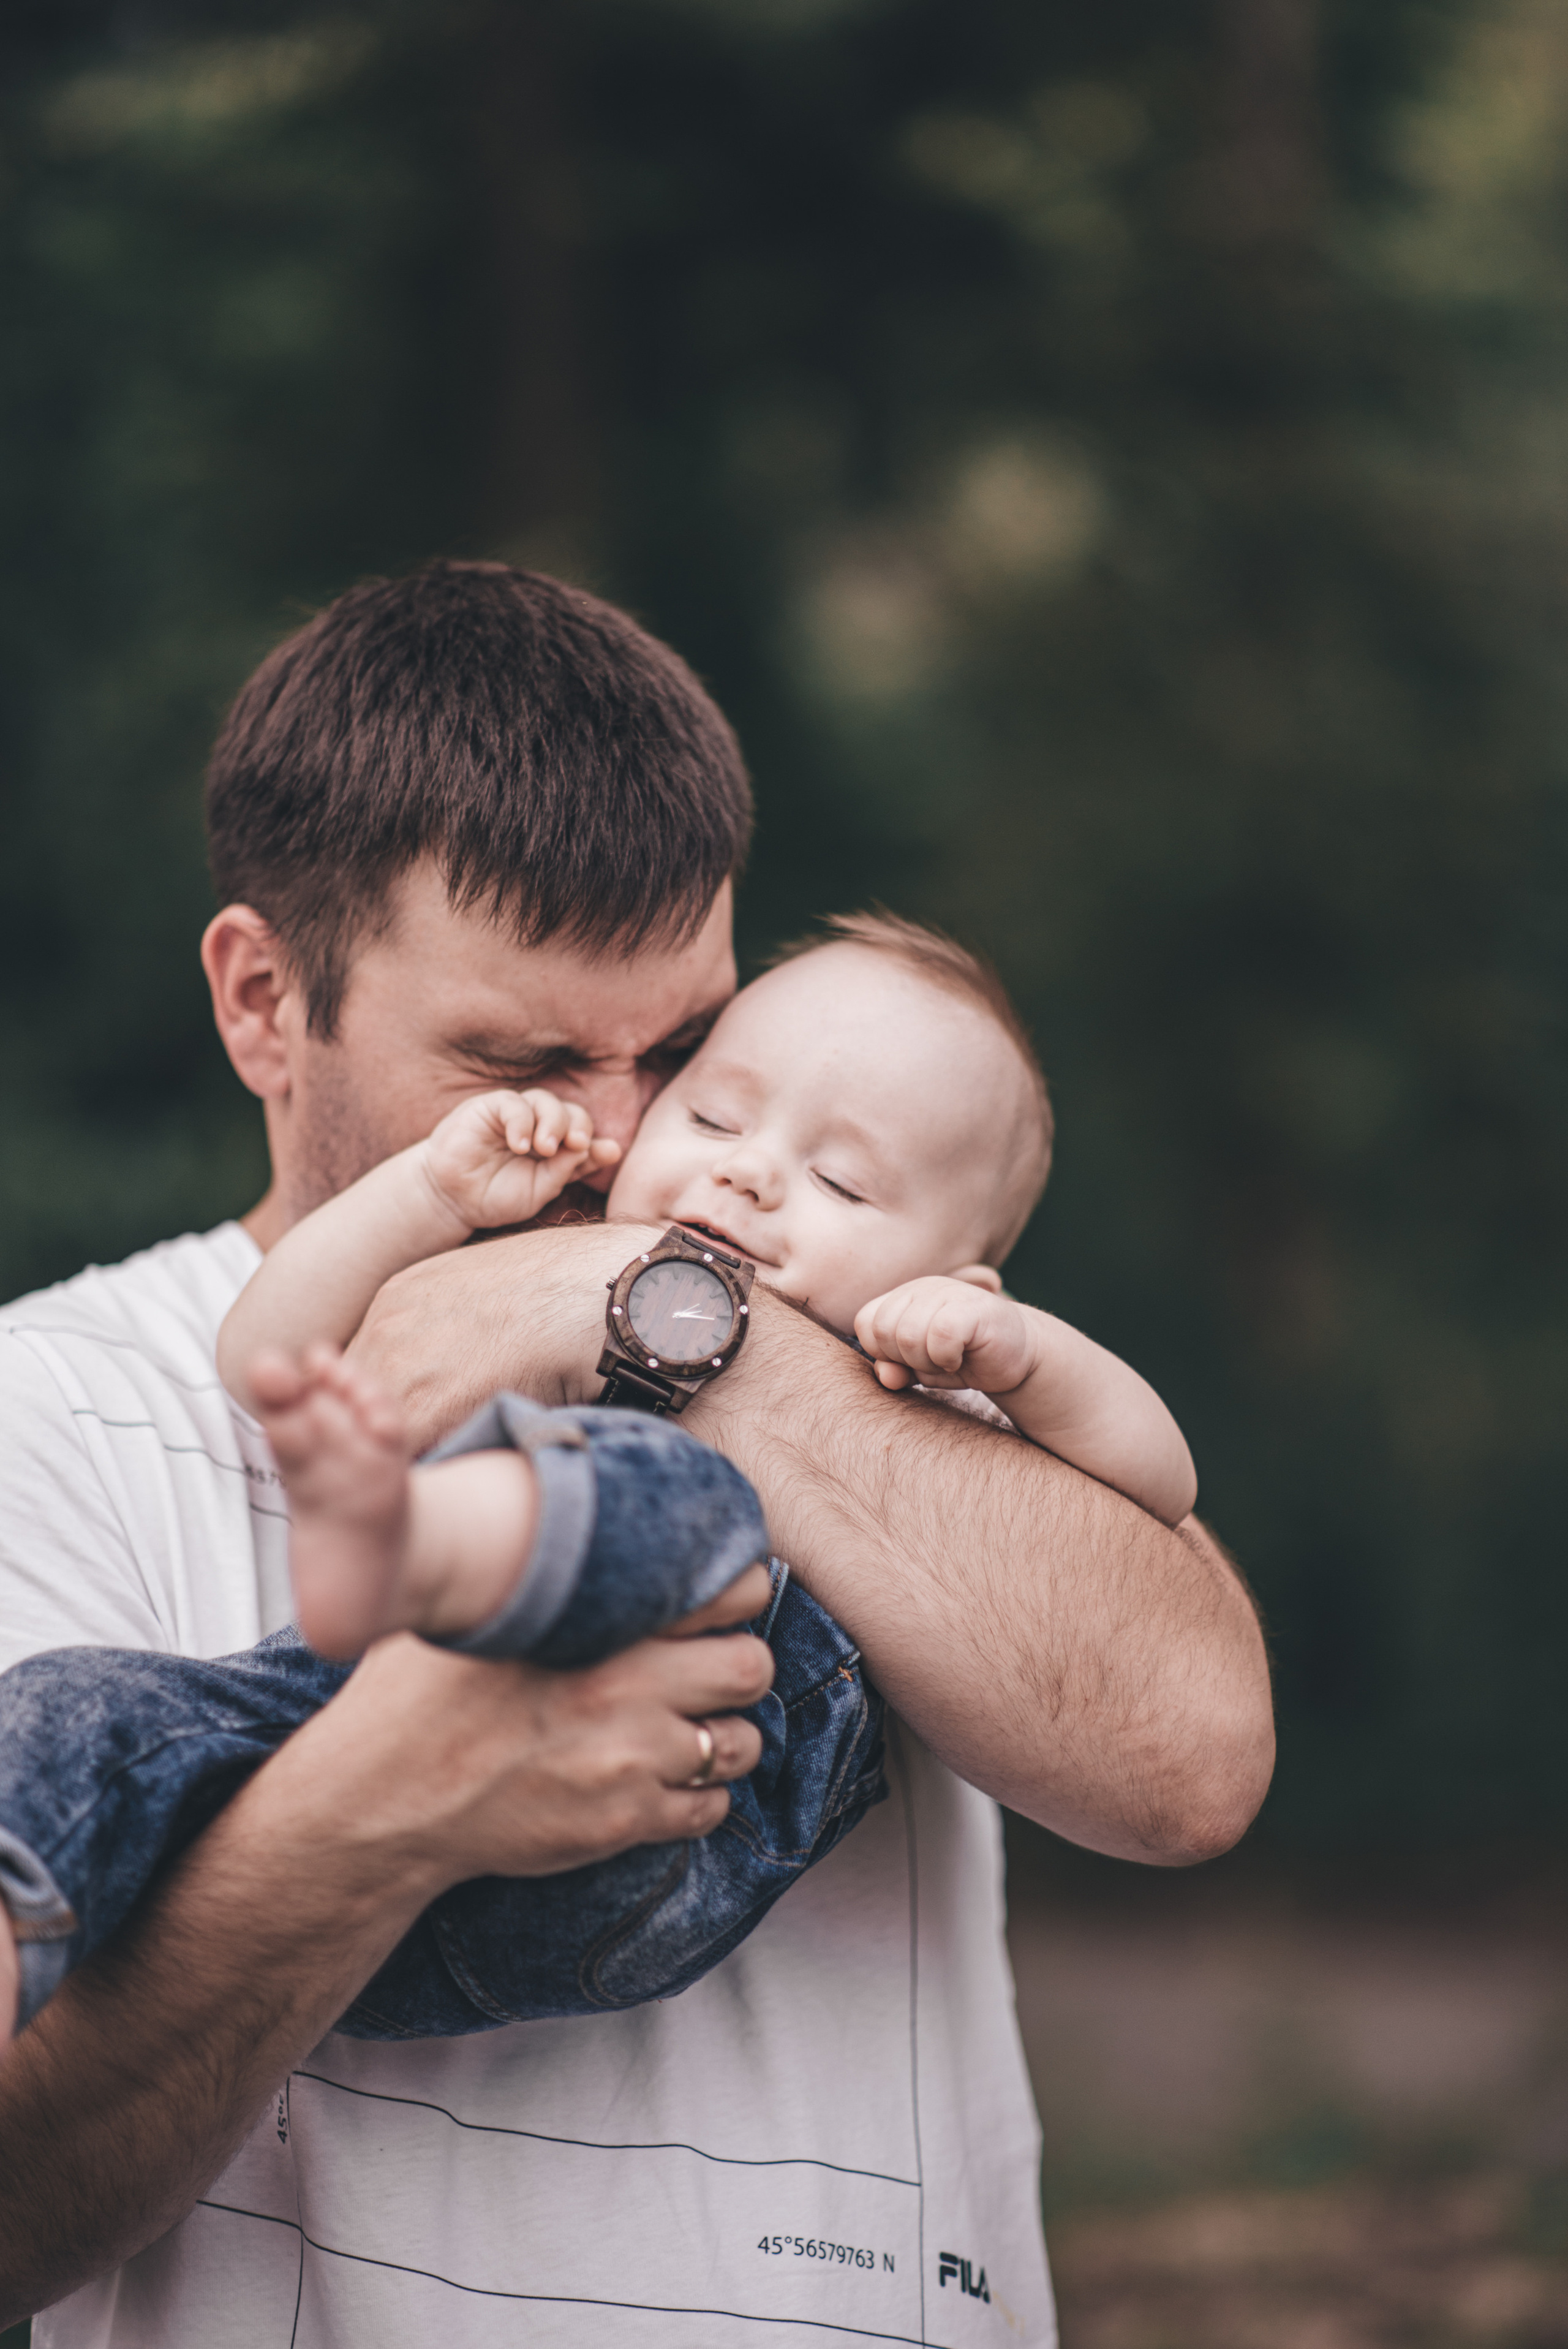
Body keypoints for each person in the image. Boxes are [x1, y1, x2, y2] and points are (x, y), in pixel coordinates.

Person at [0, 562, 1273, 2347]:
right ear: (265, 1001)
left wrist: (649, 1307)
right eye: (519, 1056)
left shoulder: (860, 1339)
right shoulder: (55, 1407)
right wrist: (387, 1804)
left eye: (680, 1049)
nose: (621, 1143)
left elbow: (1190, 1763)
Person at [0, 912, 1197, 2048]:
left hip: (653, 1853)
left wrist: (1031, 1362)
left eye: (842, 1184)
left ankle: (429, 1544)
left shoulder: (922, 1379)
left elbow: (1160, 1485)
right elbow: (266, 1360)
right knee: (100, 1714)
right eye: (712, 1117)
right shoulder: (514, 1274)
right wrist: (431, 1195)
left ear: (956, 1279)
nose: (749, 1175)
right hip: (355, 1839)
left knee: (658, 1490)